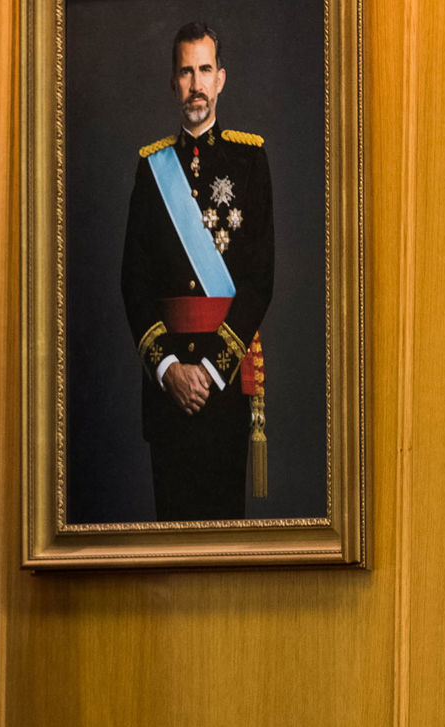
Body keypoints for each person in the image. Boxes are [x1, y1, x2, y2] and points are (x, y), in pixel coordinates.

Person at [120, 22, 274, 521]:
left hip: (224, 389)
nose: (196, 83)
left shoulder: (251, 162)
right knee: (170, 548)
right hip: (167, 396)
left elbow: (260, 279)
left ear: (221, 78)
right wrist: (169, 370)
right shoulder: (151, 170)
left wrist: (209, 372)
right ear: (173, 82)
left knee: (223, 550)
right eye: (186, 72)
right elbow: (134, 283)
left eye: (204, 70)